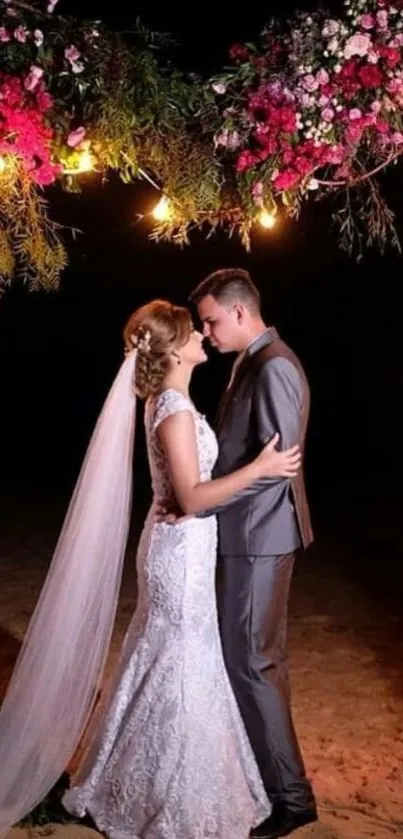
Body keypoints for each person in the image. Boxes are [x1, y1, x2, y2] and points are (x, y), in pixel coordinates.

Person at [0, 298, 302, 839]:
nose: (203, 338)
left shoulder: (169, 402)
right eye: (193, 332)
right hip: (179, 552)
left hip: (177, 548)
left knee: (162, 653)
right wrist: (261, 468)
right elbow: (190, 496)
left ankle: (125, 775)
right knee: (184, 660)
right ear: (173, 350)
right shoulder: (175, 409)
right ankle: (169, 790)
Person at [163, 270, 318, 839]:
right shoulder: (250, 361)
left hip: (260, 537)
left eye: (209, 320)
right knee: (250, 663)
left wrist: (202, 504)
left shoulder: (274, 364)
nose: (205, 330)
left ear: (239, 313)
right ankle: (270, 780)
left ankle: (293, 800)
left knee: (255, 665)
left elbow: (280, 467)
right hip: (246, 535)